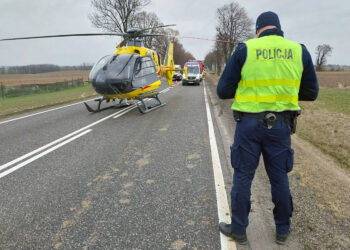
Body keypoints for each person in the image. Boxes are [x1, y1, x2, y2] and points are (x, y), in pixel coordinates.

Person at [217, 11, 318, 245]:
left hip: (249, 125)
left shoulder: (245, 49)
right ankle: (282, 230)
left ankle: (239, 229)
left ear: (258, 30)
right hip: (281, 125)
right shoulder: (299, 50)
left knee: (243, 177)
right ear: (279, 29)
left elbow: (222, 91)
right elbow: (311, 93)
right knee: (279, 178)